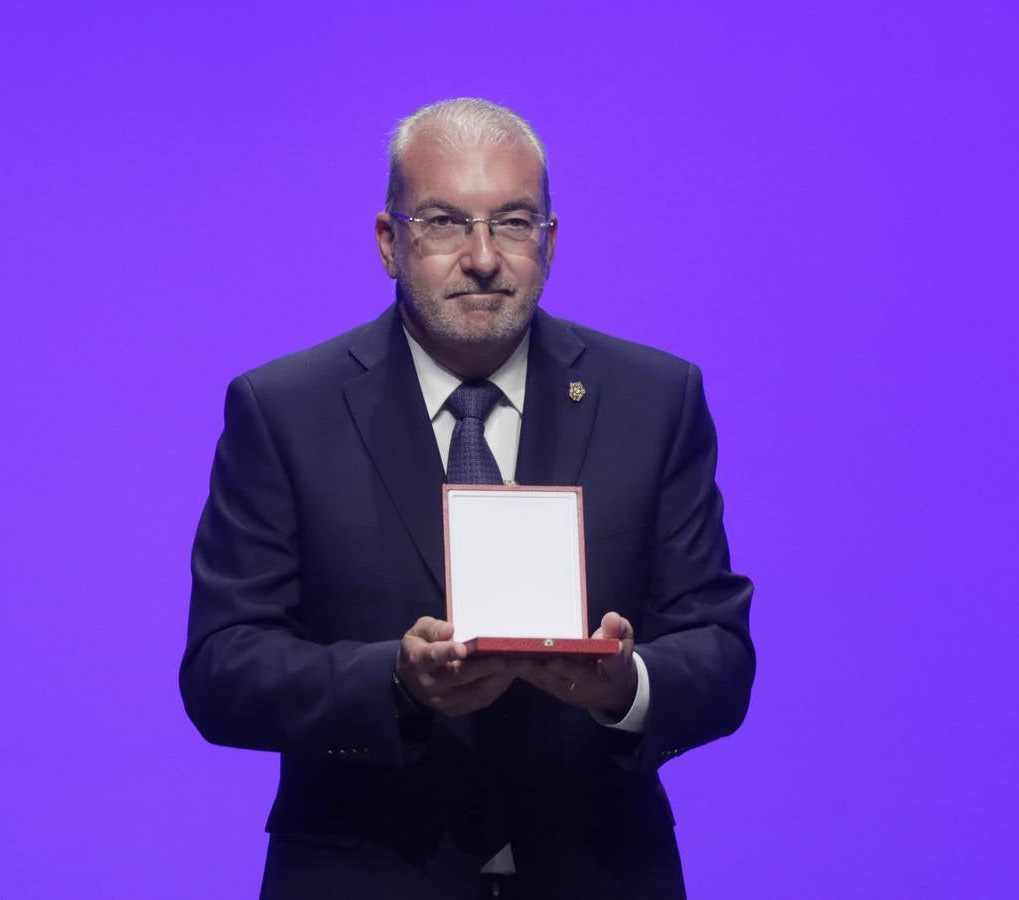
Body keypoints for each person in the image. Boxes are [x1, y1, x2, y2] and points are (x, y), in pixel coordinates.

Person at [180, 98, 755, 899]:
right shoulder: (283, 411)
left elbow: (720, 653)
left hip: (599, 874)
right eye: (445, 222)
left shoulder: (655, 400)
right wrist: (395, 681)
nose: (482, 258)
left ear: (550, 243)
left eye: (513, 223)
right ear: (390, 241)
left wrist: (626, 686)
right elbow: (221, 670)